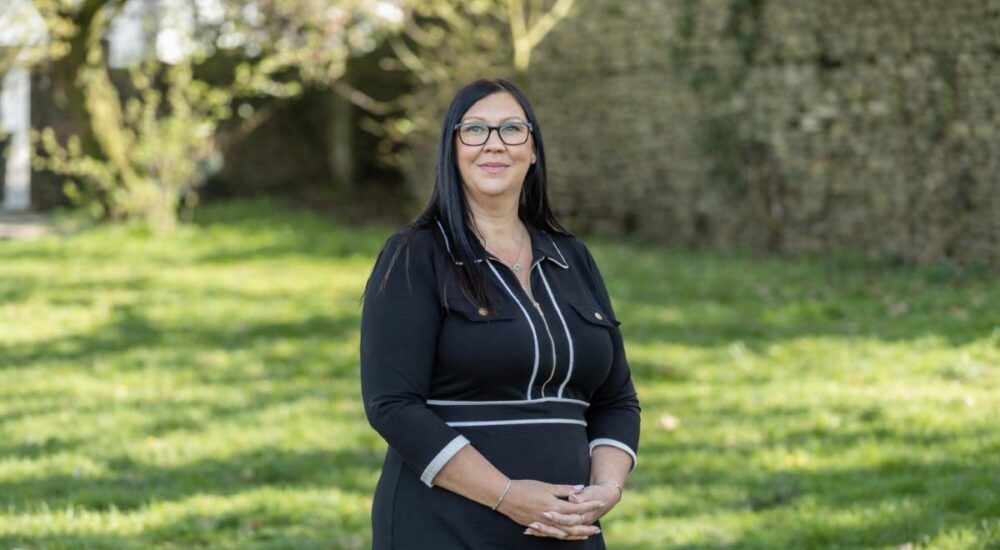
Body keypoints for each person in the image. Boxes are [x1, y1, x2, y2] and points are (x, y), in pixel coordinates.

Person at [360, 78, 640, 549]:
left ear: (533, 151)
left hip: (567, 532)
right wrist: (508, 496)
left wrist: (605, 490)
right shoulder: (415, 254)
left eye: (512, 129)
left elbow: (617, 400)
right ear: (452, 149)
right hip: (445, 528)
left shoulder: (572, 257)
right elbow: (392, 405)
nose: (494, 144)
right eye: (475, 130)